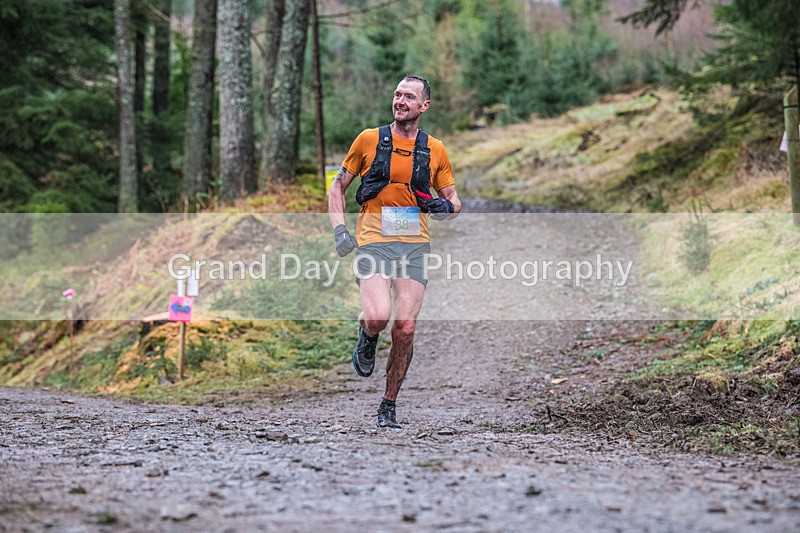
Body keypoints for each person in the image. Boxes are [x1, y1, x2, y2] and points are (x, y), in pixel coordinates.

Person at [328, 74, 461, 429]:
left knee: (405, 326)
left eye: (409, 97)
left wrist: (446, 208)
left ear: (424, 106)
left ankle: (389, 404)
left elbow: (454, 200)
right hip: (374, 237)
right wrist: (340, 229)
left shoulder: (436, 149)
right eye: (397, 94)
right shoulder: (369, 140)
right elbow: (337, 187)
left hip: (414, 242)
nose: (400, 101)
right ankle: (367, 334)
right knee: (378, 316)